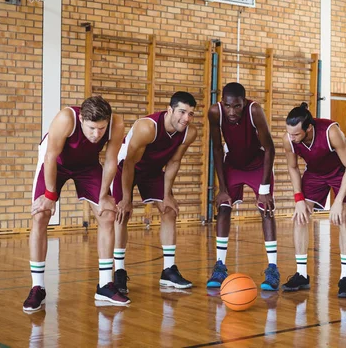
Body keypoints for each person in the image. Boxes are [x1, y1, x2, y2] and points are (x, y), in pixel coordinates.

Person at [24, 96, 128, 312]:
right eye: (91, 128)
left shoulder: (116, 124)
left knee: (107, 214)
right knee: (41, 215)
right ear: (81, 119)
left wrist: (104, 195)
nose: (96, 134)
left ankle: (105, 284)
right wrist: (50, 196)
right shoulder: (66, 118)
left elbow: (110, 160)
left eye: (101, 129)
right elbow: (50, 156)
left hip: (87, 166)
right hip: (56, 163)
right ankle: (37, 288)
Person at [114, 91, 198, 290]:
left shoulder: (189, 132)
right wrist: (126, 199)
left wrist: (167, 195)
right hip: (125, 169)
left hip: (152, 171)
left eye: (191, 114)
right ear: (169, 110)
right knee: (121, 215)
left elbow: (174, 161)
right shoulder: (146, 127)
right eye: (182, 112)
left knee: (169, 210)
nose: (186, 118)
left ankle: (168, 271)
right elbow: (129, 163)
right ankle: (119, 271)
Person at [206, 82, 279, 290]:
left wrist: (264, 189)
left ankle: (272, 268)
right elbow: (217, 149)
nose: (231, 111)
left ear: (244, 103)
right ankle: (220, 265)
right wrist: (221, 188)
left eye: (237, 106)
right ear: (222, 102)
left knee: (266, 210)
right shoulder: (215, 112)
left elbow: (269, 148)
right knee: (224, 207)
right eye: (228, 106)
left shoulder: (254, 110)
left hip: (258, 163)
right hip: (233, 164)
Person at [281, 103, 346, 297]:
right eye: (289, 133)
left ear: (309, 128)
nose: (292, 138)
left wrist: (339, 201)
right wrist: (298, 199)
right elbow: (293, 168)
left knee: (344, 217)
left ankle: (345, 277)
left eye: (296, 134)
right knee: (300, 216)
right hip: (315, 174)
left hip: (341, 172)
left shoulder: (331, 132)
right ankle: (301, 274)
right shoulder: (289, 140)